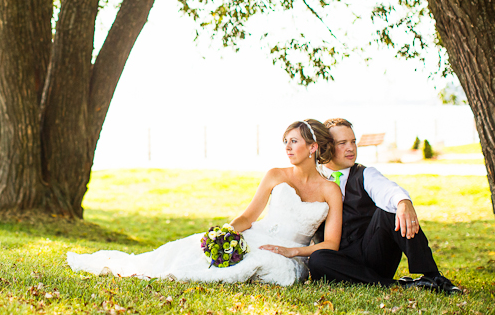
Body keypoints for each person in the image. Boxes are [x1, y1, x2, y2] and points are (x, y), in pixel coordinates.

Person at [67, 119, 343, 286]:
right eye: (285, 141)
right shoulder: (275, 175)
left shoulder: (330, 190)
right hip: (255, 235)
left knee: (260, 263)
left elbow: (331, 245)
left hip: (292, 254)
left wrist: (292, 252)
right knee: (189, 250)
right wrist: (229, 232)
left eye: (294, 141)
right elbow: (248, 217)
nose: (287, 147)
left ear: (313, 147)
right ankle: (151, 267)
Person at [308, 118, 461, 294]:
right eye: (342, 143)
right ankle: (398, 285)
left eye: (353, 142)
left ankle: (433, 276)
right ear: (326, 146)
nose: (351, 148)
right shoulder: (314, 180)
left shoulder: (365, 174)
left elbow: (388, 190)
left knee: (392, 210)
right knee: (317, 260)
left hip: (374, 254)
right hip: (339, 261)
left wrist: (403, 202)